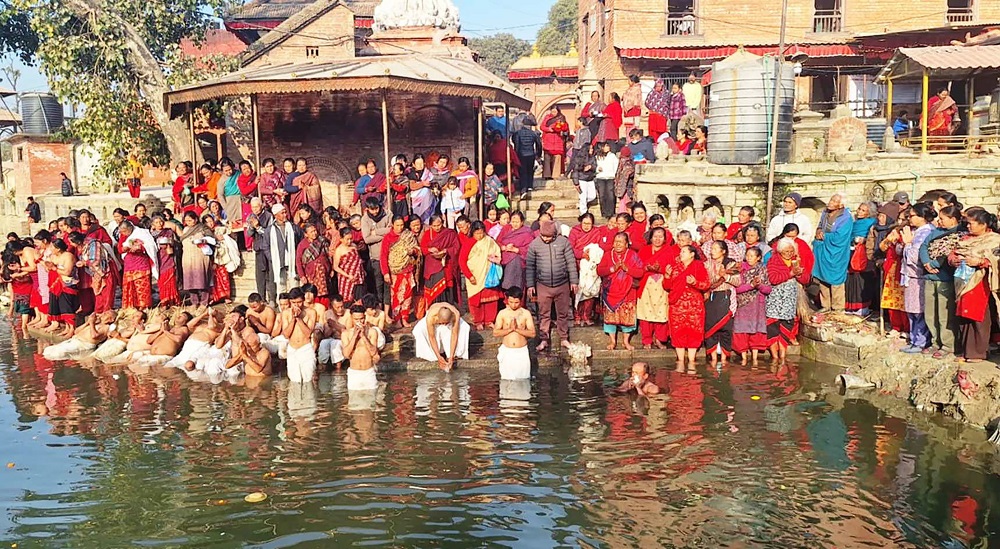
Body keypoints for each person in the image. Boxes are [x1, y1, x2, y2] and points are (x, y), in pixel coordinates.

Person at [952, 208, 1000, 363]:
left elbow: (996, 259)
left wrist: (980, 262)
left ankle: (978, 353)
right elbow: (953, 253)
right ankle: (965, 350)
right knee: (964, 315)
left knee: (978, 316)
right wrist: (953, 260)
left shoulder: (994, 240)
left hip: (981, 282)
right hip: (963, 283)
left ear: (983, 224)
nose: (968, 226)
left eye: (971, 223)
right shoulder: (965, 239)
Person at [526, 220, 578, 352]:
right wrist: (530, 285)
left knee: (563, 313)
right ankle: (544, 339)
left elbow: (571, 262)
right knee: (544, 314)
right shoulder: (534, 244)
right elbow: (530, 266)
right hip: (543, 285)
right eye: (543, 236)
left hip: (562, 284)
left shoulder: (564, 242)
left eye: (548, 237)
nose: (545, 239)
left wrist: (574, 281)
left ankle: (564, 338)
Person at [919, 204, 961, 358]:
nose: (939, 221)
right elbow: (924, 246)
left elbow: (950, 253)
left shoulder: (959, 233)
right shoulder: (936, 232)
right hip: (930, 277)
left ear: (953, 219)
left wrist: (935, 264)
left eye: (942, 219)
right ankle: (935, 342)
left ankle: (948, 345)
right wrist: (926, 263)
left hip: (945, 278)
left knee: (944, 314)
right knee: (930, 313)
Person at [665, 244, 710, 370]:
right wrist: (667, 276)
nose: (681, 254)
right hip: (677, 305)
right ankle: (680, 362)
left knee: (693, 331)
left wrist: (695, 282)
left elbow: (706, 284)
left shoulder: (699, 266)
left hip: (694, 306)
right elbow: (667, 286)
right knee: (678, 331)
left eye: (684, 252)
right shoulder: (675, 267)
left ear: (692, 254)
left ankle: (691, 363)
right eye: (680, 252)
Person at [596, 232, 643, 351]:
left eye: (621, 242)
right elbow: (600, 271)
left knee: (627, 317)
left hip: (628, 291)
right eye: (616, 241)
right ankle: (613, 341)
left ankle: (626, 341)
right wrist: (613, 268)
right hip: (611, 291)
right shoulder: (608, 255)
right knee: (611, 318)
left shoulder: (632, 255)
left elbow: (640, 272)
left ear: (626, 244)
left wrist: (627, 269)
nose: (618, 244)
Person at [900, 202, 936, 353]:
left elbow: (916, 257)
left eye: (912, 216)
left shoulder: (927, 232)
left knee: (919, 310)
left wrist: (908, 244)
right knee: (911, 309)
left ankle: (921, 341)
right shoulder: (916, 231)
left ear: (922, 217)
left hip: (919, 276)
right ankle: (914, 339)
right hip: (910, 276)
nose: (909, 219)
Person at [766, 238, 810, 363]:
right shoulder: (774, 261)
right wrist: (790, 274)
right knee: (773, 326)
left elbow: (806, 279)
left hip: (789, 301)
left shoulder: (796, 261)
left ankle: (782, 356)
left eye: (791, 251)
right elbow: (773, 279)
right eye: (786, 251)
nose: (789, 254)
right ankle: (775, 356)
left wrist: (799, 274)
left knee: (786, 324)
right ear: (780, 251)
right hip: (775, 300)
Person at [812, 194, 854, 313]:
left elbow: (840, 237)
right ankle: (825, 305)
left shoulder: (846, 218)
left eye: (834, 201)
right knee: (822, 277)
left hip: (837, 252)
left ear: (841, 205)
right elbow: (820, 225)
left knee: (836, 279)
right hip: (822, 250)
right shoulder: (825, 213)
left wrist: (824, 236)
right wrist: (819, 231)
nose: (830, 202)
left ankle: (838, 308)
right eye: (831, 199)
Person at [637, 227, 675, 349]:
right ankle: (647, 340)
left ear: (665, 239)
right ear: (651, 238)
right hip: (646, 285)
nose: (658, 239)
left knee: (661, 312)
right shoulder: (644, 250)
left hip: (662, 285)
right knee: (645, 313)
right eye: (655, 237)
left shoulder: (669, 251)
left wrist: (661, 269)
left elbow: (672, 268)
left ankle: (660, 339)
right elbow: (638, 266)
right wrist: (647, 268)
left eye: (660, 237)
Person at [461, 221, 503, 330]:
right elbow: (462, 261)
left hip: (488, 274)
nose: (480, 236)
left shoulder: (489, 241)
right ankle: (478, 321)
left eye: (481, 233)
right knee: (476, 299)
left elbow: (497, 252)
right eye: (477, 233)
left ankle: (489, 320)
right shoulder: (468, 243)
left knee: (491, 299)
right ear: (472, 232)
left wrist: (494, 257)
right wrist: (469, 275)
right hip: (475, 275)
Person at [703, 240, 739, 365]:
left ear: (723, 251)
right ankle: (713, 359)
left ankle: (724, 359)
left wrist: (726, 276)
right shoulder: (707, 264)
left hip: (725, 297)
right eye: (711, 248)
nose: (711, 251)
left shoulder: (731, 264)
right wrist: (716, 277)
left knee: (726, 329)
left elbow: (738, 281)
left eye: (715, 249)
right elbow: (705, 280)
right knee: (710, 328)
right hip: (711, 298)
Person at [734, 247, 771, 365]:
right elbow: (736, 288)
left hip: (757, 305)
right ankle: (743, 357)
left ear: (758, 258)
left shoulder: (763, 269)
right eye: (747, 255)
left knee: (756, 329)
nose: (749, 258)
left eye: (752, 256)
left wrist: (759, 285)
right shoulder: (740, 269)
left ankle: (755, 358)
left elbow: (768, 289)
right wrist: (751, 285)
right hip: (743, 304)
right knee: (741, 329)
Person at [382, 215, 421, 326]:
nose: (400, 228)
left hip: (407, 270)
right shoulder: (388, 238)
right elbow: (383, 256)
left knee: (407, 296)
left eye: (402, 225)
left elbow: (417, 250)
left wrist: (412, 251)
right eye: (397, 225)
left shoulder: (408, 235)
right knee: (396, 296)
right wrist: (385, 273)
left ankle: (405, 318)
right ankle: (397, 318)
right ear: (392, 225)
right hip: (395, 271)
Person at [493, 287, 535, 380]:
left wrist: (517, 329)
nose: (513, 305)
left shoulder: (526, 313)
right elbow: (495, 332)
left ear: (520, 300)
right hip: (508, 351)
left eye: (516, 302)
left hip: (521, 352)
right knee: (507, 381)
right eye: (511, 302)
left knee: (523, 380)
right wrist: (509, 329)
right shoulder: (502, 313)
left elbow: (532, 333)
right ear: (507, 299)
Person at [569, 213, 604, 326]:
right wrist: (582, 254)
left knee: (591, 290)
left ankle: (587, 315)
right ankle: (577, 315)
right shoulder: (574, 231)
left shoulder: (596, 232)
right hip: (577, 264)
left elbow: (600, 248)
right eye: (584, 223)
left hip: (591, 265)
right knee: (577, 291)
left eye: (589, 224)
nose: (586, 226)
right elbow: (570, 248)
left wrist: (593, 255)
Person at [413, 302, 470, 371]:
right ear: (438, 318)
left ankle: (456, 354)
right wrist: (438, 357)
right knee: (418, 330)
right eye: (442, 323)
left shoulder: (456, 314)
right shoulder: (431, 317)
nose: (444, 325)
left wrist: (451, 356)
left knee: (465, 327)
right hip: (433, 314)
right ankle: (432, 354)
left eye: (446, 323)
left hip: (450, 316)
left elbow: (454, 335)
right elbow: (432, 337)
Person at [419, 215, 461, 306]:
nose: (437, 228)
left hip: (446, 265)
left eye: (439, 225)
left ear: (443, 223)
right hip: (432, 267)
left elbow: (456, 247)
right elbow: (422, 249)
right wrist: (429, 249)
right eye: (434, 226)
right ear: (430, 225)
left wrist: (446, 251)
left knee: (447, 289)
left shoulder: (450, 233)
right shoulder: (427, 234)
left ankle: (448, 309)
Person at [845, 202, 878, 317]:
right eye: (859, 209)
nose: (859, 211)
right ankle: (850, 306)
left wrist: (864, 240)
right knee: (851, 279)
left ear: (869, 213)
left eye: (863, 210)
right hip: (851, 251)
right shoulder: (854, 223)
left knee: (862, 280)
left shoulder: (872, 223)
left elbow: (873, 237)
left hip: (863, 254)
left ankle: (862, 307)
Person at [43, 310, 115, 360]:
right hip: (75, 340)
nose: (103, 314)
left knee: (58, 353)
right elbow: (76, 331)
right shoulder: (96, 322)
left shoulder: (106, 327)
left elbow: (94, 336)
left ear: (111, 319)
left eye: (107, 314)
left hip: (84, 344)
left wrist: (92, 323)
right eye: (104, 313)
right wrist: (88, 322)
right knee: (48, 350)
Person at [119, 220, 158, 310]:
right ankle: (130, 307)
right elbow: (120, 249)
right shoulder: (123, 236)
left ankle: (143, 306)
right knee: (129, 286)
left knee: (142, 286)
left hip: (141, 264)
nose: (124, 234)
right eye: (122, 232)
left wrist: (140, 247)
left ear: (130, 228)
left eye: (125, 231)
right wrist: (124, 249)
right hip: (129, 265)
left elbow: (150, 246)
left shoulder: (142, 233)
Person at [282, 287, 319, 383]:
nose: (296, 305)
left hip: (306, 348)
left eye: (299, 302)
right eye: (293, 302)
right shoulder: (286, 313)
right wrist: (293, 319)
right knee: (294, 381)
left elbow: (308, 334)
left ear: (303, 300)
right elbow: (286, 335)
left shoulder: (311, 312)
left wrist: (299, 318)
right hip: (292, 349)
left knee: (308, 380)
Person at [43, 239, 79, 337]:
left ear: (58, 249)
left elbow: (67, 272)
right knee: (62, 306)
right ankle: (67, 328)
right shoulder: (55, 256)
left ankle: (72, 329)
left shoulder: (68, 256)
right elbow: (49, 265)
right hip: (60, 284)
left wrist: (54, 268)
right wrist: (49, 265)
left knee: (67, 306)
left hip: (69, 283)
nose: (50, 249)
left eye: (52, 247)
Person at [342, 303, 381, 391]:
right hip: (354, 373)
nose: (359, 322)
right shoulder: (346, 334)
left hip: (368, 372)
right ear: (351, 318)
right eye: (356, 319)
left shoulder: (372, 332)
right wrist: (354, 336)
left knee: (371, 397)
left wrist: (363, 336)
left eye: (361, 319)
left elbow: (373, 352)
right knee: (353, 398)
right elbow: (346, 354)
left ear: (365, 317)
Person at [180, 211, 214, 306]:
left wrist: (203, 240)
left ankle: (204, 302)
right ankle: (194, 302)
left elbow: (212, 239)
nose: (188, 222)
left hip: (200, 257)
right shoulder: (185, 230)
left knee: (202, 279)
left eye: (190, 220)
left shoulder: (203, 228)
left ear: (195, 219)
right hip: (188, 257)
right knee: (190, 280)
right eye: (186, 221)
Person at [296, 223, 332, 306]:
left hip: (323, 273)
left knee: (324, 293)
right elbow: (298, 261)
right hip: (311, 273)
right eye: (311, 232)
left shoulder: (322, 240)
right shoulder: (302, 244)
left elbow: (328, 255)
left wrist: (331, 269)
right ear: (306, 234)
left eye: (315, 231)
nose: (314, 233)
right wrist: (302, 275)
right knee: (313, 292)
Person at [510, 115, 542, 198]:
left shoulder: (518, 133)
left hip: (521, 154)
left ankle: (523, 189)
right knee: (530, 170)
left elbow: (516, 144)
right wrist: (538, 154)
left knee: (522, 171)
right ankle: (530, 186)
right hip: (531, 154)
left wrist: (516, 155)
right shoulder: (533, 133)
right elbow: (539, 145)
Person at [333, 227, 365, 303]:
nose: (349, 241)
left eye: (351, 239)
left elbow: (357, 260)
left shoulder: (353, 246)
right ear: (341, 239)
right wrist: (347, 275)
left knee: (359, 299)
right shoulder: (339, 250)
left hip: (358, 277)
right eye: (347, 239)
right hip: (346, 278)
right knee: (347, 300)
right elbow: (335, 267)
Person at [541, 107, 568, 180]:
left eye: (555, 112)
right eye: (552, 111)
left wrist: (561, 128)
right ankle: (547, 175)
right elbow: (542, 127)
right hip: (548, 140)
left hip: (558, 140)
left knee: (557, 158)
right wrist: (549, 129)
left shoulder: (561, 118)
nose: (553, 113)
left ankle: (556, 175)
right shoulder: (547, 117)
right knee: (547, 158)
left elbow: (565, 127)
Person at [594, 141, 618, 220]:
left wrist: (614, 174)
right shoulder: (597, 157)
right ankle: (604, 212)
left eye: (608, 146)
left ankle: (611, 212)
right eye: (606, 146)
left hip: (610, 177)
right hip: (600, 177)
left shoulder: (612, 156)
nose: (608, 147)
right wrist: (598, 169)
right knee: (602, 195)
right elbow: (594, 166)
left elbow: (616, 166)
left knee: (610, 195)